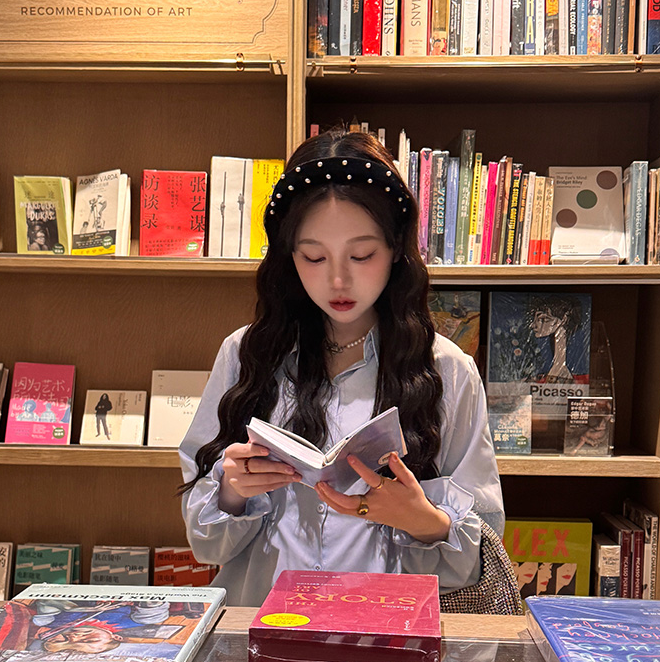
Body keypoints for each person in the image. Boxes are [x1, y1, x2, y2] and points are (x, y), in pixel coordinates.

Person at [178, 129, 504, 607]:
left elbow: (478, 554)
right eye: (313, 256)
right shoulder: (246, 354)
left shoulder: (447, 371)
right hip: (263, 625)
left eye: (361, 255)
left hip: (388, 633)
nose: (337, 279)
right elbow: (205, 544)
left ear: (396, 249)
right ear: (289, 257)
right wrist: (231, 491)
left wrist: (420, 519)